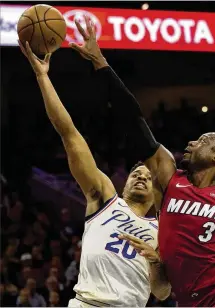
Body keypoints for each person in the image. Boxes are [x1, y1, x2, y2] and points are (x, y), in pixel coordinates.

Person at [70, 16, 215, 307]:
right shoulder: (169, 179)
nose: (191, 143)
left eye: (202, 141)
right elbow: (134, 121)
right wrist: (101, 64)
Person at [19, 41, 170, 307]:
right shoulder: (104, 199)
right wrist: (42, 76)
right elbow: (69, 134)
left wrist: (156, 262)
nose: (142, 176)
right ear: (123, 184)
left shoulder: (164, 229)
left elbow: (162, 292)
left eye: (149, 176)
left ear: (157, 190)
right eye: (136, 172)